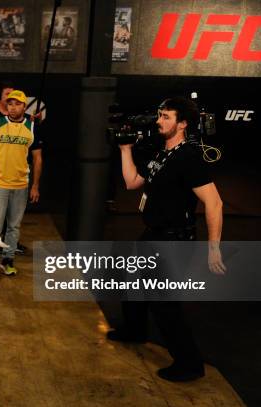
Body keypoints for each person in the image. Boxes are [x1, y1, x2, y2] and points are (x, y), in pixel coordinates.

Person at [108, 97, 226, 382]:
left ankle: (189, 364)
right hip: (153, 234)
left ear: (182, 123)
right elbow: (132, 182)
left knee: (165, 304)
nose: (159, 121)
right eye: (159, 115)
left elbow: (215, 204)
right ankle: (135, 331)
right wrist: (125, 150)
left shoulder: (189, 157)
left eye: (166, 117)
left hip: (174, 241)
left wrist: (214, 249)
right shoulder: (163, 154)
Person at [0, 90, 43, 280]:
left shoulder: (32, 127)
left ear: (24, 106)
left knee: (14, 227)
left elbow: (38, 159)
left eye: (17, 104)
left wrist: (35, 186)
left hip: (21, 185)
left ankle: (8, 260)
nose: (13, 107)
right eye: (10, 103)